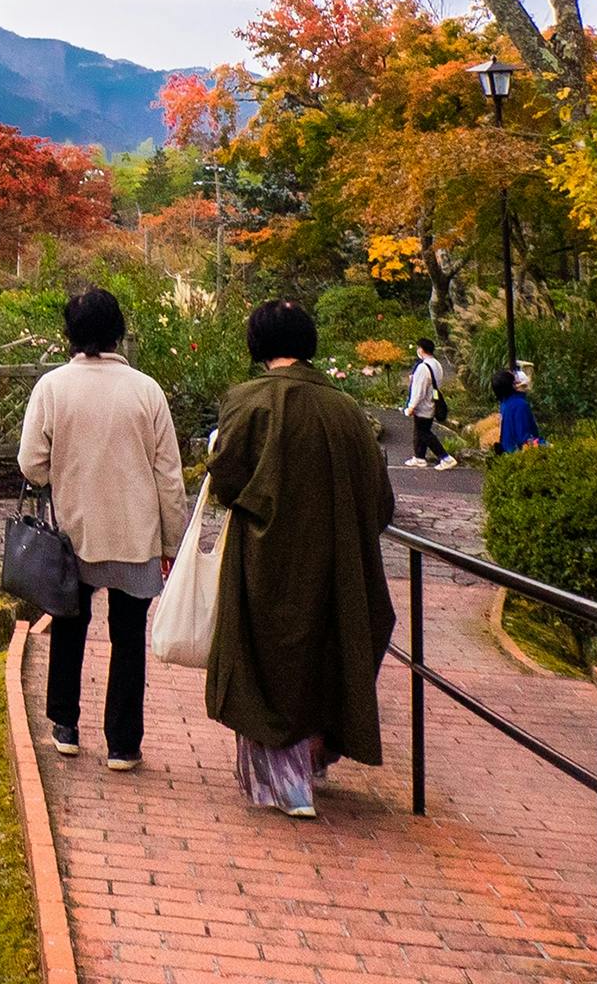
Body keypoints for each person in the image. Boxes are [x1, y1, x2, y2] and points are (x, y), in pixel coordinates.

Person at [205, 299, 397, 818]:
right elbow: (381, 501)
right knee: (325, 652)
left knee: (267, 659)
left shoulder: (250, 402)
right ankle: (313, 759)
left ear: (258, 344)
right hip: (341, 564)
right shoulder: (347, 410)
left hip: (268, 560)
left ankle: (286, 784)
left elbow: (226, 479)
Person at [17, 286, 189, 771]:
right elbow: (169, 477)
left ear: (68, 334)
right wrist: (171, 541)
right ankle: (122, 743)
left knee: (70, 628)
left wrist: (65, 475)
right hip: (136, 536)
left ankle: (65, 724)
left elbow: (32, 465)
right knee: (129, 637)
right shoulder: (146, 390)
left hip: (75, 535)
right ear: (119, 331)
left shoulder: (52, 388)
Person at [403, 337, 457, 470]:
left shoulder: (422, 367)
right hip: (433, 401)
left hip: (423, 405)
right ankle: (419, 457)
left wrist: (411, 406)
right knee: (420, 430)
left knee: (424, 432)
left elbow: (418, 391)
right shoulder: (437, 364)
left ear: (421, 350)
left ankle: (445, 457)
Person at [491, 367, 542, 454]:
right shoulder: (520, 405)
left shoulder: (505, 404)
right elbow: (524, 439)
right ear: (513, 385)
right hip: (519, 455)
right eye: (515, 379)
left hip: (507, 452)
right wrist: (547, 445)